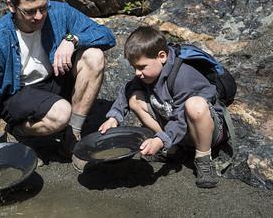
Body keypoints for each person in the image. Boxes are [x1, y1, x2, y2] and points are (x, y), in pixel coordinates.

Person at [0, 0, 116, 170]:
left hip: (54, 79)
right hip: (19, 95)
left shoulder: (59, 12)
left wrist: (72, 39)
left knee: (94, 56)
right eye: (29, 11)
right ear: (11, 6)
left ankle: (72, 137)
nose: (38, 17)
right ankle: (18, 131)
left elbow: (106, 35)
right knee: (61, 113)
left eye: (42, 8)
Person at [98, 25, 230, 188]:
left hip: (207, 130)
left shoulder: (184, 75)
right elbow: (127, 90)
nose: (137, 73)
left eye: (141, 67)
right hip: (178, 127)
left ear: (162, 56)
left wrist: (159, 140)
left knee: (195, 105)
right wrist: (114, 117)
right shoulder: (147, 73)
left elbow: (181, 118)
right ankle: (174, 149)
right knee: (134, 99)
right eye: (134, 68)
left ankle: (203, 158)